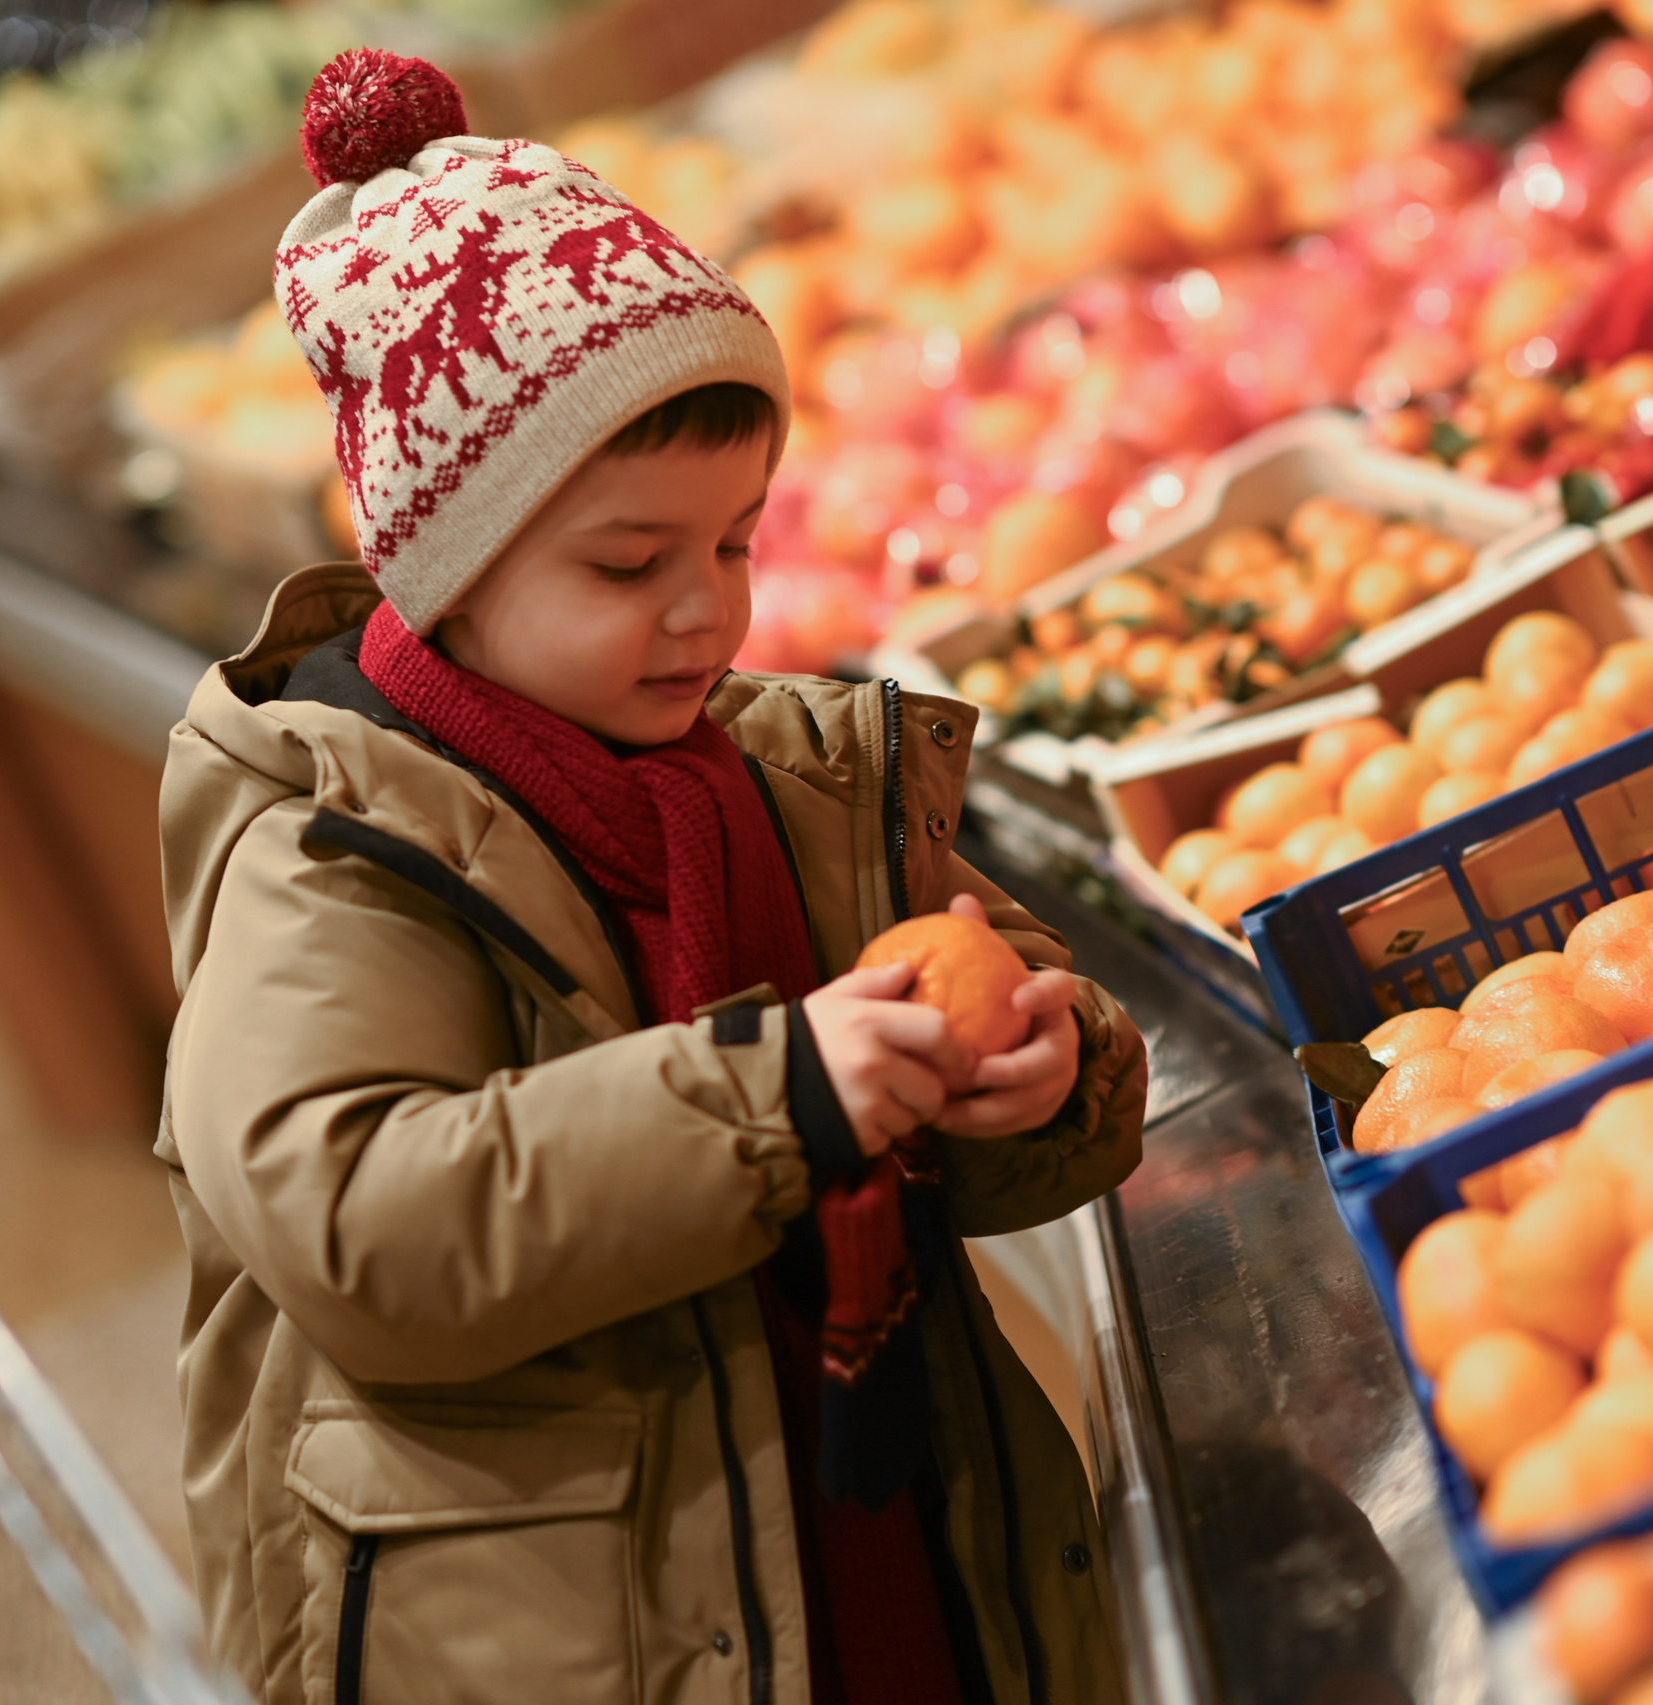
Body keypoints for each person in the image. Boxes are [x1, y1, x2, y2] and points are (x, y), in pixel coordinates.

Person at [154, 48, 1148, 1705]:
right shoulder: (330, 853)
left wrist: (1041, 1065)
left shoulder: (774, 779)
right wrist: (781, 1098)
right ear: (450, 566)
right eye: (631, 563)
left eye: (739, 539)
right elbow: (365, 1228)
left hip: (847, 1544)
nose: (711, 612)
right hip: (567, 1629)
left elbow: (1031, 1016)